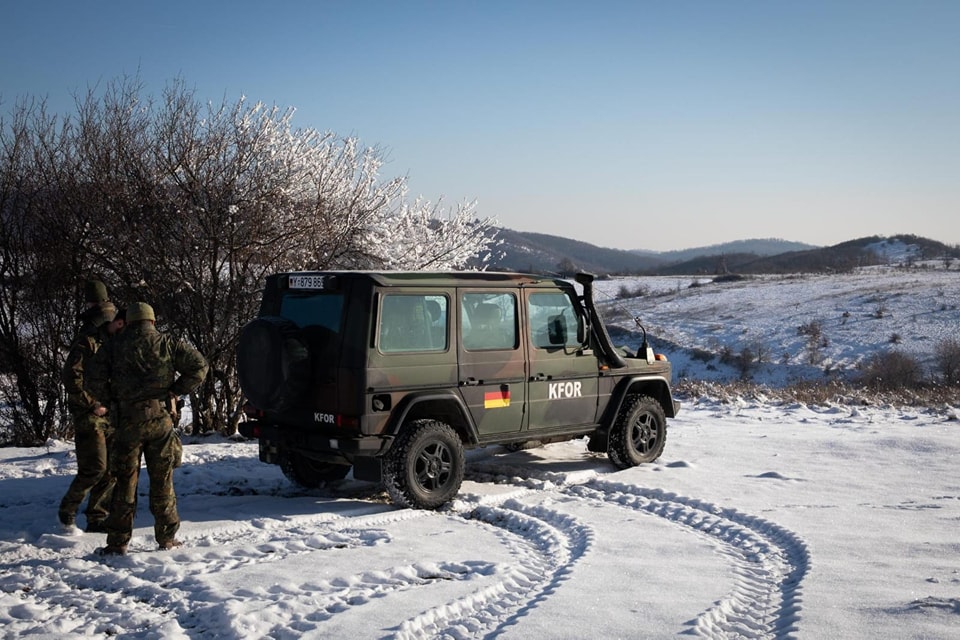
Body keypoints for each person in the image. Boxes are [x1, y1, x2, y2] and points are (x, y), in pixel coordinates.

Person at [91, 302, 208, 555]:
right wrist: (175, 391)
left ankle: (118, 542)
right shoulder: (168, 343)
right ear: (153, 322)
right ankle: (166, 538)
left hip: (127, 424)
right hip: (160, 422)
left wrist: (110, 401)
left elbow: (92, 377)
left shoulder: (113, 346)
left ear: (129, 322)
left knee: (124, 484)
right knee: (163, 482)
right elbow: (200, 367)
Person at [58, 280, 118, 534]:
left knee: (112, 469)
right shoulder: (87, 340)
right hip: (89, 412)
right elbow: (71, 376)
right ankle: (68, 512)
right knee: (95, 467)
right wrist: (91, 404)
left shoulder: (112, 337)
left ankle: (97, 517)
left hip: (110, 410)